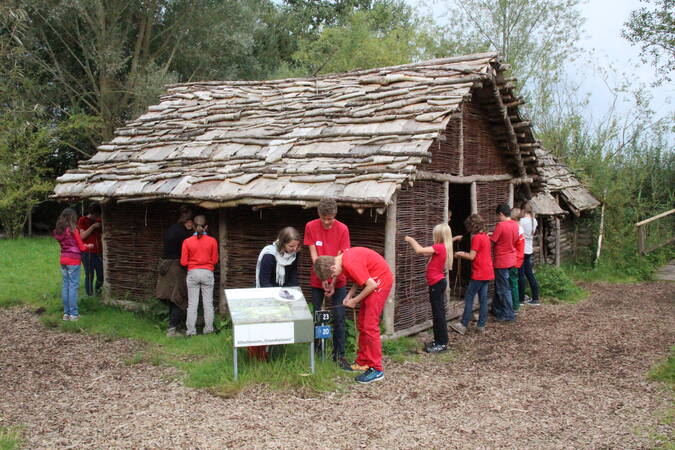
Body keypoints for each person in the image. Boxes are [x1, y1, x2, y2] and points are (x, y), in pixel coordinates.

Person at [314, 247, 393, 384]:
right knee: (362, 323)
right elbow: (360, 277)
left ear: (333, 267)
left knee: (370, 326)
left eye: (332, 276)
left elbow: (371, 285)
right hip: (373, 281)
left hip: (380, 282)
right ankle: (363, 362)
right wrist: (349, 296)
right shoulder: (342, 259)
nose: (334, 277)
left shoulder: (349, 263)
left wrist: (355, 301)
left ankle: (376, 369)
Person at [304, 198, 351, 368]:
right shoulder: (310, 226)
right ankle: (318, 352)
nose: (326, 221)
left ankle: (339, 354)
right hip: (318, 279)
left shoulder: (343, 229)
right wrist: (323, 278)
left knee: (338, 317)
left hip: (338, 279)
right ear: (319, 215)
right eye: (323, 217)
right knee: (318, 315)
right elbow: (314, 254)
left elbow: (342, 257)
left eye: (329, 218)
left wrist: (332, 282)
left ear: (335, 215)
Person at [404, 223, 454, 353]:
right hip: (437, 284)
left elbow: (419, 250)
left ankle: (441, 343)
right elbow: (425, 253)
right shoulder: (442, 248)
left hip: (436, 284)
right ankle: (439, 341)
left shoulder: (439, 247)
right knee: (438, 314)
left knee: (438, 315)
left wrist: (410, 239)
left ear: (439, 235)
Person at [450, 214, 494, 334]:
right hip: (487, 272)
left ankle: (463, 324)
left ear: (472, 226)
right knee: (483, 299)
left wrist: (459, 254)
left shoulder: (476, 238)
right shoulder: (485, 236)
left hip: (479, 273)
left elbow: (471, 256)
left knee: (469, 298)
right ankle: (481, 325)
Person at [156, 206, 193, 337]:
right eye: (190, 219)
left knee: (172, 298)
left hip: (166, 265)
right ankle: (172, 329)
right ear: (186, 218)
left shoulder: (171, 229)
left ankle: (175, 326)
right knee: (178, 297)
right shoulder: (184, 233)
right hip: (176, 268)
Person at [181, 214, 218, 336]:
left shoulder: (187, 242)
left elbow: (183, 262)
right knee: (208, 303)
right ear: (206, 226)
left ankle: (191, 331)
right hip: (207, 272)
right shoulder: (212, 241)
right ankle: (208, 330)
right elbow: (215, 260)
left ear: (193, 227)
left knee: (192, 304)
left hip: (193, 273)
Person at [53, 208, 93, 321]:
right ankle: (74, 315)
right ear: (72, 217)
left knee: (65, 286)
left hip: (63, 259)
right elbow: (81, 247)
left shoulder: (58, 231)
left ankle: (66, 314)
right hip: (73, 260)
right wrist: (88, 246)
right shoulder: (73, 229)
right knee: (73, 287)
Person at [490, 203, 519, 322]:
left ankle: (509, 314)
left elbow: (493, 241)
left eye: (498, 216)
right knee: (501, 286)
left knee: (503, 288)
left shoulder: (501, 225)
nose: (498, 218)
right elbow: (511, 239)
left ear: (501, 214)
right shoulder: (515, 225)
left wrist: (486, 237)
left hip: (502, 260)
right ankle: (497, 310)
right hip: (511, 259)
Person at [78, 203, 103, 296]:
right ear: (93, 213)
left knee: (101, 274)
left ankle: (98, 293)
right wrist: (92, 227)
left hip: (99, 252)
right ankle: (89, 295)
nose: (97, 217)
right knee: (90, 274)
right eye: (96, 215)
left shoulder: (99, 221)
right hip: (87, 252)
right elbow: (82, 236)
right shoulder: (82, 220)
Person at [519, 202, 541, 306]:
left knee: (521, 275)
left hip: (521, 250)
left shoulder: (522, 221)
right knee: (530, 274)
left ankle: (521, 298)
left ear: (523, 210)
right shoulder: (534, 221)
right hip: (529, 249)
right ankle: (536, 297)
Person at [509, 208, 525, 312]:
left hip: (515, 259)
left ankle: (515, 305)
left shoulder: (516, 229)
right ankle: (516, 304)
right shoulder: (520, 228)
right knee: (514, 282)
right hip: (519, 258)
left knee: (513, 283)